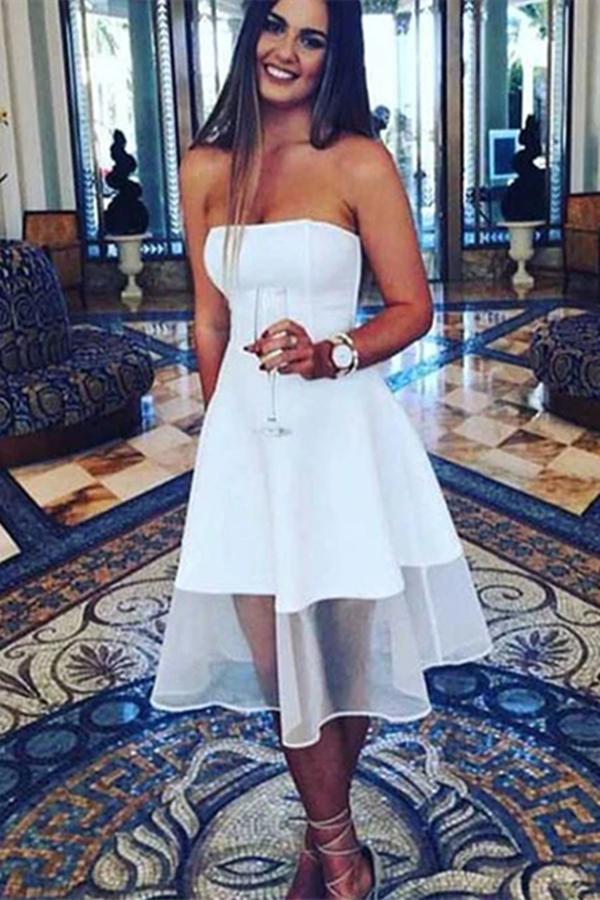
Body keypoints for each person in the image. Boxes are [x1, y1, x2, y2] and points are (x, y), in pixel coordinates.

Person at [150, 1, 492, 898]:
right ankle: (340, 852)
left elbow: (412, 308)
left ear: (334, 56)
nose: (286, 51)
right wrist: (226, 434)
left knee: (339, 665)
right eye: (274, 25)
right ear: (249, 34)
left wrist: (332, 352)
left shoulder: (358, 161)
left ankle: (328, 852)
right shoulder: (204, 167)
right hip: (248, 451)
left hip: (341, 444)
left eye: (312, 38)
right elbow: (210, 318)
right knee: (279, 667)